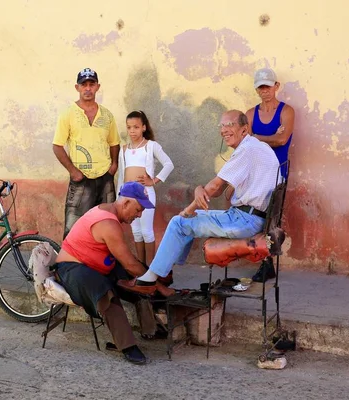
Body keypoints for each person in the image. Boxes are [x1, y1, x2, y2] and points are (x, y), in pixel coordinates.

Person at [117, 110, 279, 295]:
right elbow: (219, 190)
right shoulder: (258, 147)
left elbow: (214, 188)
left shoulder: (246, 150)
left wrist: (188, 209)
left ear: (244, 129)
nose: (224, 130)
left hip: (245, 220)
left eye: (230, 125)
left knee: (179, 222)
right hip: (250, 216)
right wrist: (201, 191)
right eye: (222, 125)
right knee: (188, 219)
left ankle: (150, 280)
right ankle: (163, 271)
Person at [52, 182, 171, 365]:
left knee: (138, 278)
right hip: (72, 268)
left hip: (95, 265)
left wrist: (154, 279)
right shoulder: (107, 222)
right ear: (126, 203)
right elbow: (130, 264)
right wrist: (159, 285)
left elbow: (130, 264)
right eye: (138, 210)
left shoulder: (110, 212)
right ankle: (127, 346)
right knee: (106, 292)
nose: (139, 215)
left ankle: (151, 327)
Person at [53, 68, 120, 239]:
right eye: (84, 85)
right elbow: (57, 146)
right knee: (73, 227)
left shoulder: (107, 115)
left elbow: (114, 142)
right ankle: (69, 264)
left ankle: (103, 264)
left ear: (98, 87)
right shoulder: (68, 114)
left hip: (105, 177)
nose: (88, 88)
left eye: (92, 84)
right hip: (80, 179)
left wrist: (113, 166)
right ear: (77, 87)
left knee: (107, 224)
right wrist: (73, 172)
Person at [246, 67, 295, 282]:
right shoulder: (250, 114)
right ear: (257, 90)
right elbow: (245, 145)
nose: (265, 90)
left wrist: (255, 137)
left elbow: (282, 141)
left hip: (277, 173)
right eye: (261, 87)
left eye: (268, 86)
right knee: (255, 217)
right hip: (256, 174)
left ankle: (267, 263)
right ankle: (263, 262)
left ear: (276, 86)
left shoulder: (286, 111)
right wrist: (270, 137)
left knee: (271, 220)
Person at [117, 110, 174, 265]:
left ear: (143, 127)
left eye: (136, 127)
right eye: (129, 127)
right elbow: (122, 176)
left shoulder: (151, 146)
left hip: (145, 194)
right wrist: (119, 197)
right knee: (136, 232)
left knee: (147, 232)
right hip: (128, 196)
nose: (132, 131)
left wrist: (154, 181)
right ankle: (140, 267)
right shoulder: (124, 150)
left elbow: (169, 164)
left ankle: (151, 267)